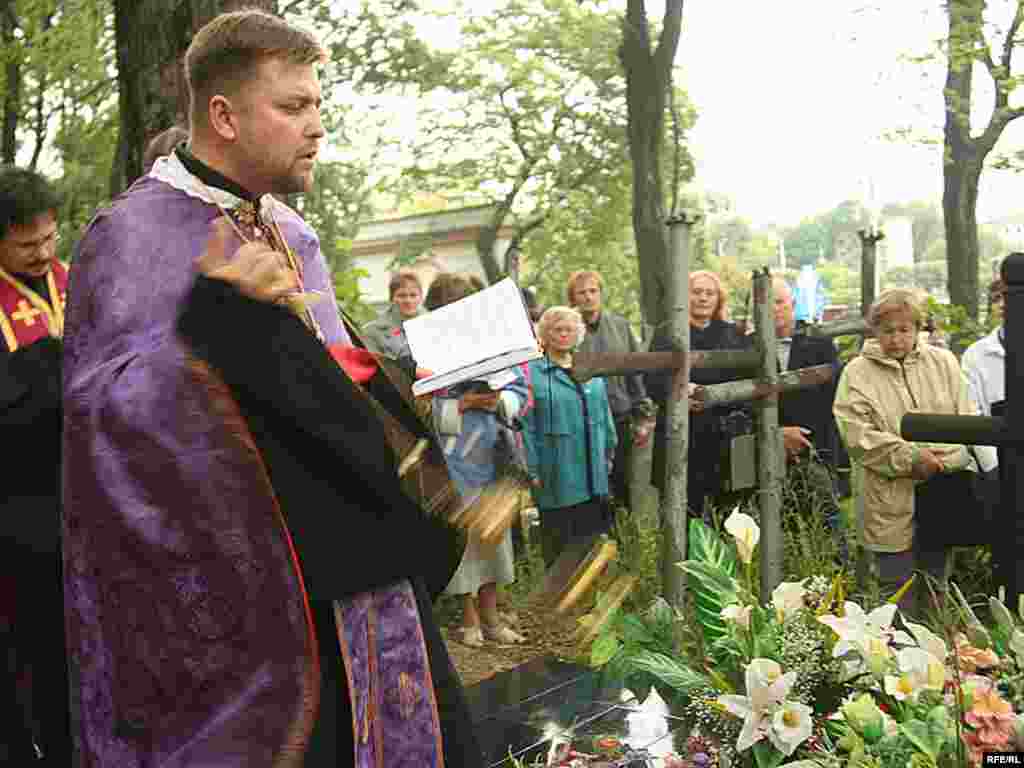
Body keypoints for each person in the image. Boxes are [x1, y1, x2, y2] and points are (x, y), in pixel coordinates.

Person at [62, 10, 479, 767]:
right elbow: (104, 424)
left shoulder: (290, 230)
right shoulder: (131, 237)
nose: (316, 126)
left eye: (317, 104)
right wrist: (216, 319)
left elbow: (334, 371)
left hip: (356, 567)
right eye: (293, 107)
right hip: (240, 604)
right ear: (224, 115)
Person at [833, 289, 986, 614]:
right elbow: (857, 435)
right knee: (894, 586)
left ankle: (939, 642)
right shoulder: (857, 373)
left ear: (917, 328)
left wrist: (945, 460)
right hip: (887, 495)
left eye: (904, 329)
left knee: (936, 581)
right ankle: (896, 645)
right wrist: (910, 458)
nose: (896, 338)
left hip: (942, 486)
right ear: (874, 331)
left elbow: (966, 418)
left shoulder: (943, 363)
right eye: (888, 330)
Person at [0, 166, 71, 765]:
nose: (44, 253)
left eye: (50, 238)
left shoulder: (78, 282)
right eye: (27, 245)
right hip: (25, 516)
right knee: (44, 656)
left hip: (96, 502)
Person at [424, 273, 529, 647]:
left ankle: (492, 617)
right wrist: (463, 403)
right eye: (448, 307)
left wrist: (499, 400)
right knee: (464, 539)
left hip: (494, 454)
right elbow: (418, 404)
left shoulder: (493, 344)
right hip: (452, 459)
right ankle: (469, 620)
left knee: (494, 537)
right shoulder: (425, 351)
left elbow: (520, 390)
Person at [644, 270, 752, 517]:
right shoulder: (667, 333)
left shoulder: (734, 334)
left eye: (709, 293)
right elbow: (651, 379)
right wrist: (681, 390)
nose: (703, 298)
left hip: (723, 435)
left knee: (727, 514)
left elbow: (746, 379)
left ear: (718, 299)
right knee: (681, 512)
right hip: (681, 432)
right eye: (696, 292)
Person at [523, 306, 617, 566]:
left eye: (569, 329)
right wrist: (531, 469)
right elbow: (526, 426)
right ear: (545, 334)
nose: (564, 334)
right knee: (559, 544)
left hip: (594, 473)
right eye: (557, 329)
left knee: (594, 544)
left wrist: (609, 452)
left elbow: (605, 417)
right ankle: (559, 591)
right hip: (556, 472)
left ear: (579, 334)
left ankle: (592, 591)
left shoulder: (590, 370)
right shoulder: (533, 374)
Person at [568, 270, 654, 513]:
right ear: (573, 298)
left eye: (593, 291)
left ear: (601, 294)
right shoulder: (565, 329)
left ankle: (622, 531)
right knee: (587, 487)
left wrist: (642, 416)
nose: (588, 297)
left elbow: (636, 372)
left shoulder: (620, 326)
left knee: (621, 482)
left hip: (619, 415)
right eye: (581, 292)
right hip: (580, 421)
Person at [962, 276, 1007, 420]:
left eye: (1009, 296)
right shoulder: (975, 355)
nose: (1002, 304)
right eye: (996, 299)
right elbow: (971, 411)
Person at [362, 268, 424, 357]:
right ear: (391, 299)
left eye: (413, 295)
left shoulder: (432, 326)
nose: (408, 300)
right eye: (401, 296)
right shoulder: (372, 332)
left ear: (421, 298)